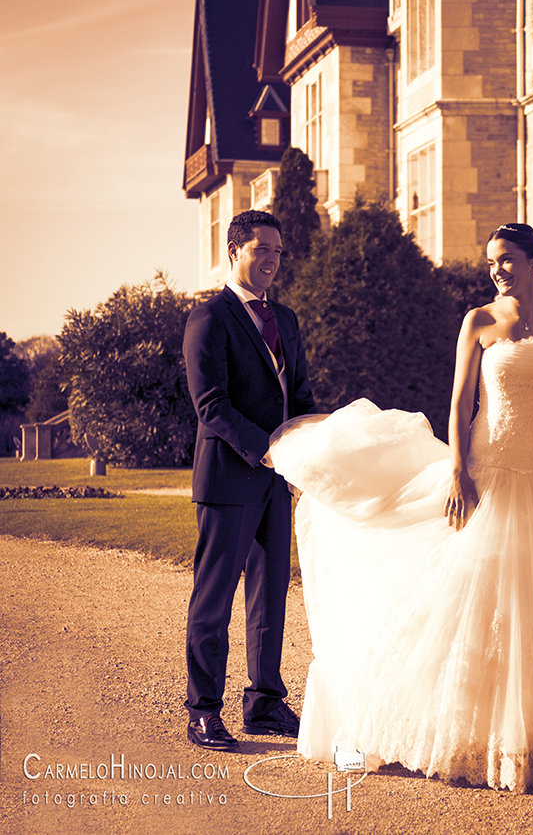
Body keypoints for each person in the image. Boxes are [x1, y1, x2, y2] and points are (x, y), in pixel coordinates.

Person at [267, 223, 533, 790]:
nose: (498, 270)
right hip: (488, 472)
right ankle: (476, 736)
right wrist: (458, 470)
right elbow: (458, 403)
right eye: (492, 261)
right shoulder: (479, 321)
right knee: (477, 602)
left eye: (508, 260)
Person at [182, 209, 317, 751]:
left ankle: (263, 701)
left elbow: (299, 397)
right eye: (262, 249)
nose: (272, 260)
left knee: (270, 598)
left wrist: (308, 450)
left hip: (278, 482)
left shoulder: (285, 318)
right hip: (230, 478)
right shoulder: (209, 318)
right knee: (212, 599)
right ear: (234, 250)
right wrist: (269, 451)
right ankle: (203, 710)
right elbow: (210, 405)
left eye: (279, 252)